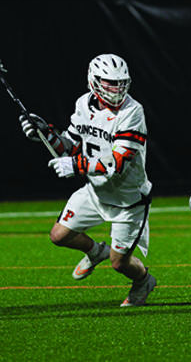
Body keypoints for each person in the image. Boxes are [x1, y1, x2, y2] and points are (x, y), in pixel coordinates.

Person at [19, 54, 156, 307]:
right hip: (95, 192)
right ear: (93, 82)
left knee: (120, 263)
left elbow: (117, 164)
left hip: (128, 201)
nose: (117, 89)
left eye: (121, 83)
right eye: (110, 83)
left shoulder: (132, 111)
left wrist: (75, 165)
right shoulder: (83, 103)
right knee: (59, 235)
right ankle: (95, 252)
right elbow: (69, 147)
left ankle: (143, 280)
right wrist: (45, 134)